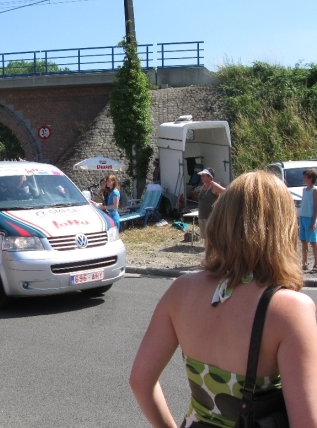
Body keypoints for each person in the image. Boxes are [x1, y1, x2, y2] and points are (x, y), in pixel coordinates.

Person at [129, 171, 317, 428]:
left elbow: (140, 380)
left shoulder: (181, 290)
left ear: (221, 221)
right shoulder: (290, 309)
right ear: (282, 230)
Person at [197, 168, 225, 239]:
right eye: (201, 176)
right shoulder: (203, 187)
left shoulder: (214, 186)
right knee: (205, 237)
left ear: (210, 177)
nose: (201, 177)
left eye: (204, 176)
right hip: (202, 216)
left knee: (212, 237)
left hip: (210, 217)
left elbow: (226, 192)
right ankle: (206, 250)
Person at [300, 168, 317, 273]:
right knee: (303, 241)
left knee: (313, 242)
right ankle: (304, 262)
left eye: (305, 177)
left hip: (310, 218)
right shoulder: (304, 190)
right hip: (303, 217)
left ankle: (316, 263)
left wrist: (313, 222)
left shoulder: (314, 190)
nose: (303, 178)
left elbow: (316, 207)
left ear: (310, 178)